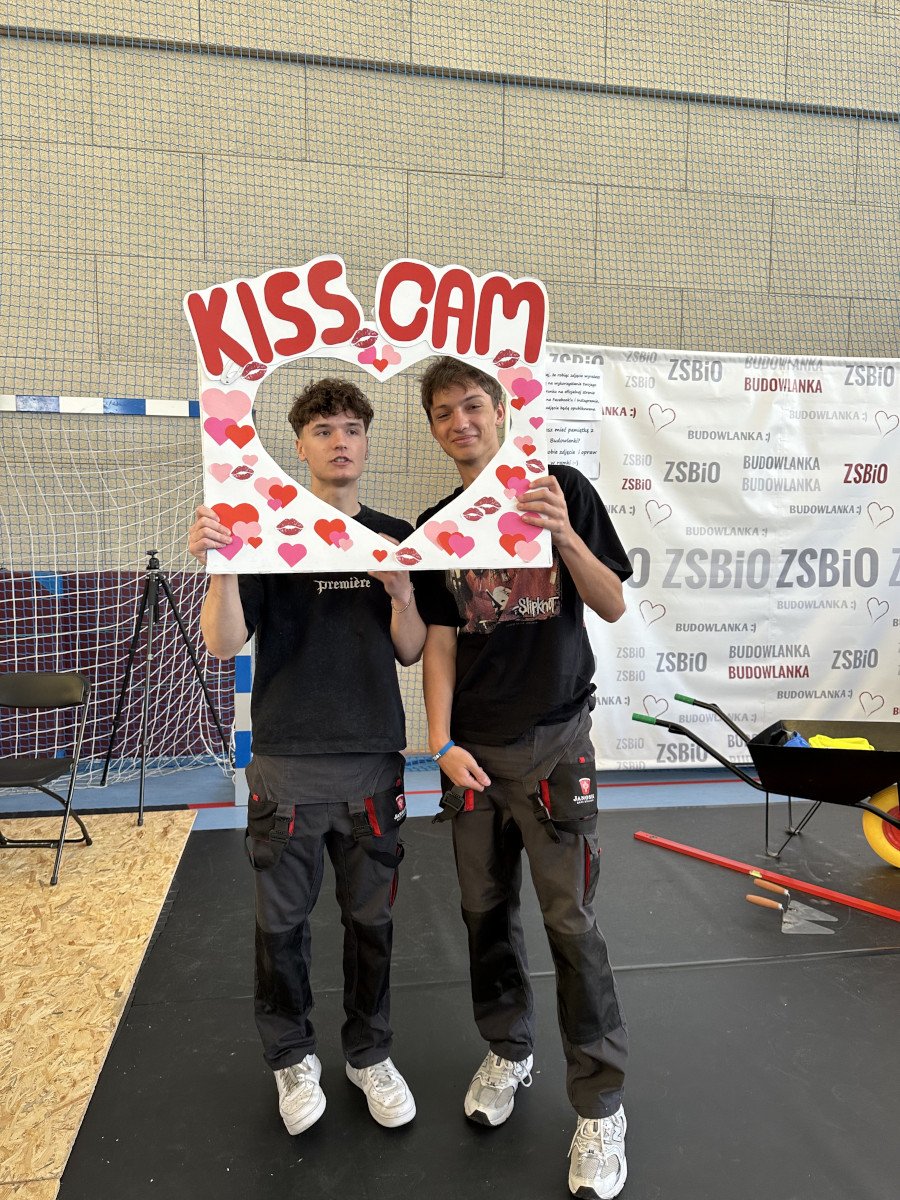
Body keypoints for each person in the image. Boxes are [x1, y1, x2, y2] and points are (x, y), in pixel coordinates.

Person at [413, 357, 633, 1199]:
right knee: (483, 915)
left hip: (554, 747)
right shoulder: (438, 524)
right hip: (472, 754)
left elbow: (610, 603)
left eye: (473, 405)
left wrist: (564, 535)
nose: (460, 422)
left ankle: (601, 1104)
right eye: (444, 412)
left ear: (503, 411)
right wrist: (439, 742)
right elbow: (439, 642)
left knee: (571, 924)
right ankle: (509, 1050)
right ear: (435, 429)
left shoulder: (560, 489)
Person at [188, 376, 426, 1137]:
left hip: (371, 767)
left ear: (367, 443)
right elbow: (223, 641)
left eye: (352, 428)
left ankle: (369, 1054)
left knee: (372, 925)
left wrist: (403, 594)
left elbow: (412, 650)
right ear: (299, 446)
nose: (340, 441)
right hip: (287, 765)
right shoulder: (265, 530)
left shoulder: (395, 535)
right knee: (280, 928)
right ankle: (292, 1057)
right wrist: (223, 563)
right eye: (324, 430)